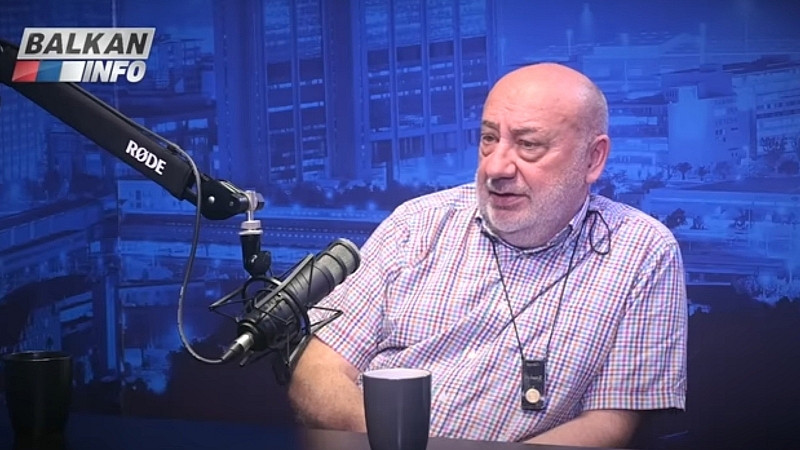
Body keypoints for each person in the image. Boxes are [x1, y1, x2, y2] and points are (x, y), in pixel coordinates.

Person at [287, 62, 687, 448]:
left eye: (528, 145)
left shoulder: (642, 251)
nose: (495, 167)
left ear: (592, 158)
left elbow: (609, 426)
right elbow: (317, 371)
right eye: (489, 139)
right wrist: (393, 443)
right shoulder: (416, 223)